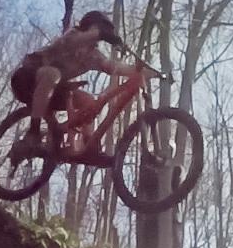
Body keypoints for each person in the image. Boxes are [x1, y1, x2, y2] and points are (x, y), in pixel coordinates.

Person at [9, 10, 137, 148]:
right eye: (98, 29)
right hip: (26, 80)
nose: (98, 35)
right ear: (89, 26)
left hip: (53, 91)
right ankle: (33, 131)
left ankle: (89, 143)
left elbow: (111, 67)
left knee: (88, 102)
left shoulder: (92, 55)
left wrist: (140, 71)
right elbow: (75, 41)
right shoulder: (73, 35)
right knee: (53, 74)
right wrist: (100, 33)